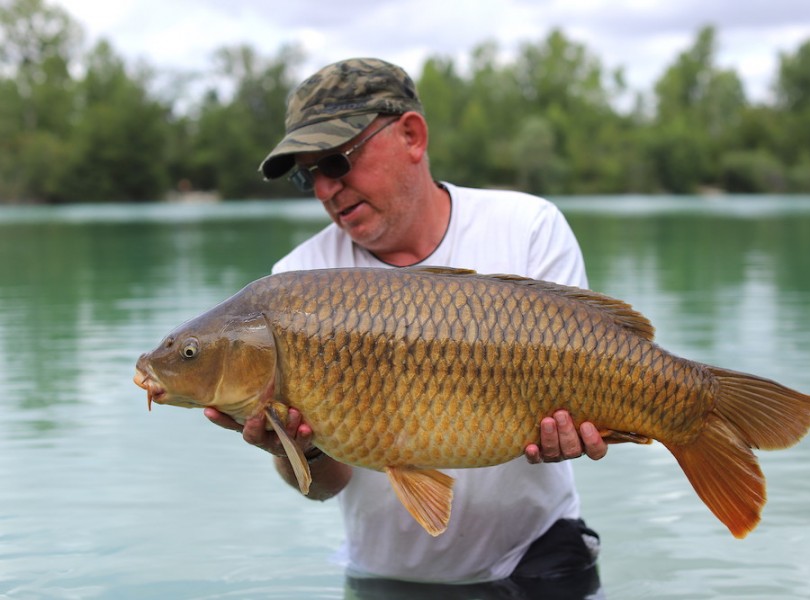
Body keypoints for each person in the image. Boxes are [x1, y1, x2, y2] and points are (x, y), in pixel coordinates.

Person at [204, 57, 609, 596]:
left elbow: (594, 375)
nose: (325, 189)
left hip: (535, 559)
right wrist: (296, 448)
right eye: (307, 175)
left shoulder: (529, 227)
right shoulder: (293, 285)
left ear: (412, 136)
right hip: (386, 577)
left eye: (336, 162)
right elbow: (322, 488)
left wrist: (590, 421)